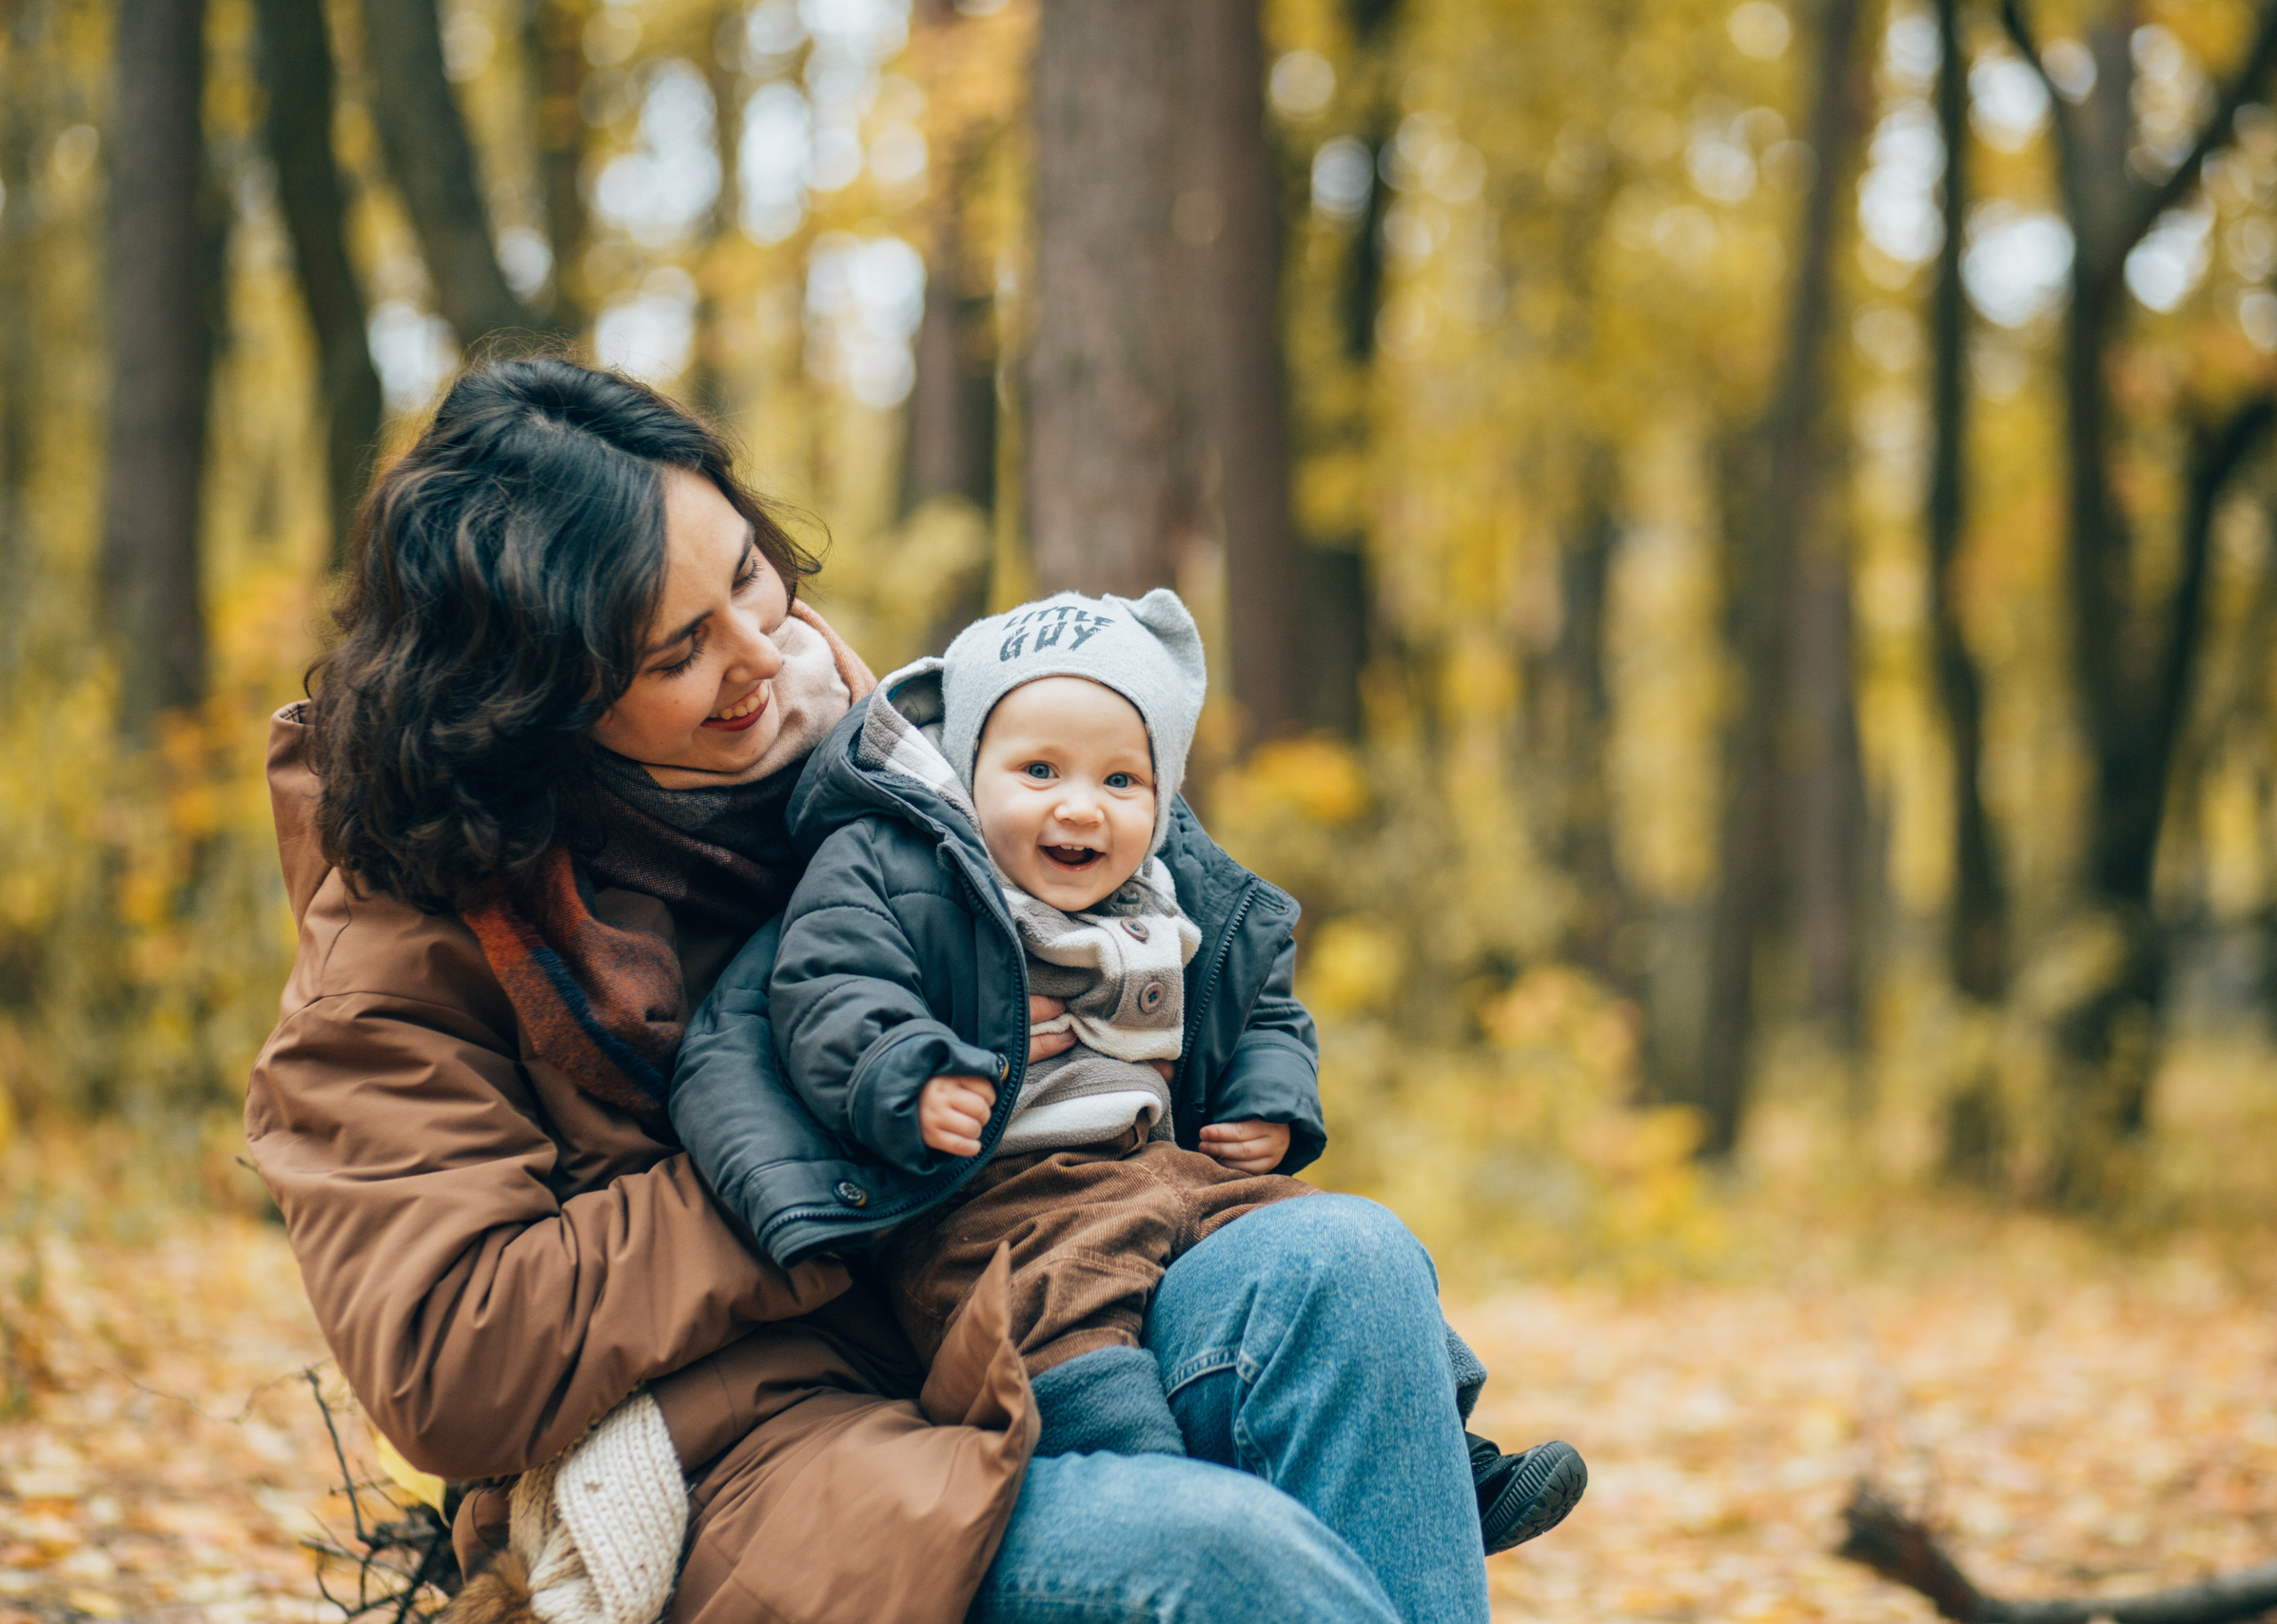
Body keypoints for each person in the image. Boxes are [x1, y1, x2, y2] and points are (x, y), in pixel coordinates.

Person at [243, 357, 1507, 1624]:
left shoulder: (901, 755)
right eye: (677, 647)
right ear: (539, 697)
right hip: (751, 1454)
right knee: (1219, 1560)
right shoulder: (407, 936)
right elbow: (449, 1350)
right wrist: (827, 1141)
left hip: (1018, 1295)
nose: (760, 653)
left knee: (1350, 1261)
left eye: (748, 574)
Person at [670, 586, 1587, 1558]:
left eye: (1121, 781)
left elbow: (1265, 1006)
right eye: (1038, 770)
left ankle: (1439, 1457)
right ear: (967, 767)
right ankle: (1153, 1494)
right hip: (994, 1199)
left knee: (1339, 1248)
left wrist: (1268, 1105)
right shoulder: (896, 863)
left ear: (1161, 799)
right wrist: (913, 1073)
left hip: (1158, 1166)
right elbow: (828, 985)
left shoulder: (1165, 893)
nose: (1080, 807)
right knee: (1067, 1322)